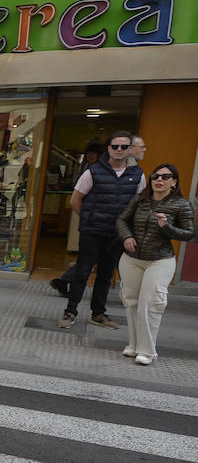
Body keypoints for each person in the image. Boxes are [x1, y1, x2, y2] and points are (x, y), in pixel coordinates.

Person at [58, 131, 145, 330]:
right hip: (92, 231)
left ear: (129, 150)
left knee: (106, 275)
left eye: (124, 146)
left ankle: (98, 313)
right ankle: (70, 311)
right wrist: (89, 219)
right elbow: (75, 199)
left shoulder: (137, 176)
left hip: (116, 234)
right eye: (115, 146)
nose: (119, 150)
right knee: (82, 271)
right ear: (108, 149)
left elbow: (139, 205)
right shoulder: (93, 171)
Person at [115, 163, 194, 365]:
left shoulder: (181, 204)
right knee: (131, 302)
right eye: (155, 176)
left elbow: (189, 234)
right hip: (131, 258)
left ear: (174, 182)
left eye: (166, 177)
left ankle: (148, 351)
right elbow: (122, 220)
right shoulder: (141, 200)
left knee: (150, 304)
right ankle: (134, 346)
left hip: (160, 260)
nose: (159, 180)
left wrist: (166, 226)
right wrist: (126, 237)